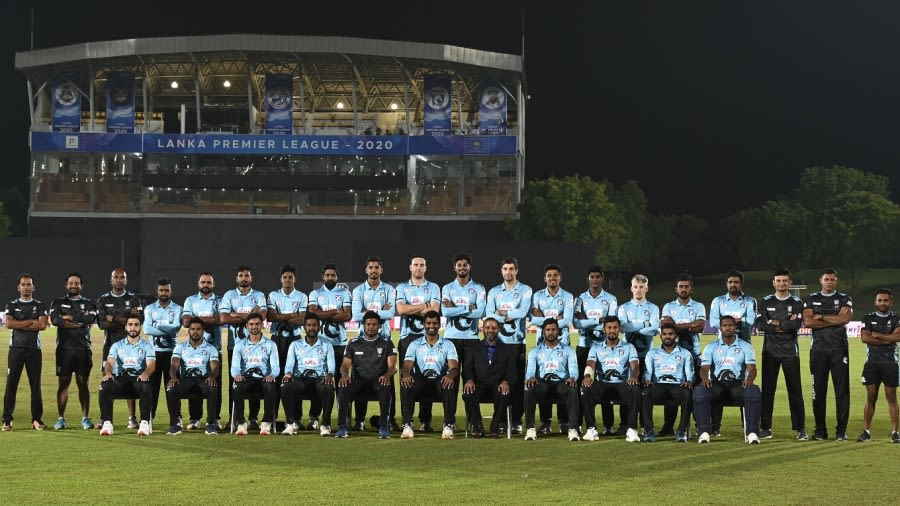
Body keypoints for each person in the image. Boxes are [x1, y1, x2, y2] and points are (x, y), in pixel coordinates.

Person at [693, 315, 762, 444]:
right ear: (720, 328)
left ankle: (752, 433)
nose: (727, 328)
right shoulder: (711, 346)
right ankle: (704, 432)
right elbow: (704, 368)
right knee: (699, 390)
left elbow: (752, 369)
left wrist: (749, 380)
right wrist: (704, 379)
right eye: (724, 325)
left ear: (735, 327)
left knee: (754, 390)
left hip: (737, 384)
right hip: (717, 384)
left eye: (730, 325)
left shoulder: (745, 346)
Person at [802, 268, 853, 441]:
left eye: (832, 279)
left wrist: (821, 317)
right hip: (818, 351)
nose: (829, 282)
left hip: (839, 350)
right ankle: (820, 430)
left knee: (842, 392)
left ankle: (841, 431)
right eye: (826, 279)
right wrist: (833, 318)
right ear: (820, 280)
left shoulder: (844, 298)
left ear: (836, 281)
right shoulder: (811, 298)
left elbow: (845, 319)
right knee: (818, 391)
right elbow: (808, 321)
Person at [757, 268, 807, 440]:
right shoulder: (765, 301)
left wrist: (774, 322)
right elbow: (760, 325)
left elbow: (798, 324)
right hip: (769, 352)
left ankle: (800, 429)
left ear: (790, 283)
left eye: (785, 281)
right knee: (768, 391)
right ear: (774, 283)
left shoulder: (797, 302)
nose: (782, 283)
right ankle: (765, 427)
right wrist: (784, 323)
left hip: (790, 352)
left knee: (795, 390)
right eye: (778, 281)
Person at [485, 256, 532, 434]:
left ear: (516, 270)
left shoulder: (526, 290)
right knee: (500, 381)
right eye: (505, 269)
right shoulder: (494, 291)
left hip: (517, 343)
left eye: (511, 269)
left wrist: (502, 313)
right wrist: (510, 314)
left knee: (518, 383)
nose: (508, 272)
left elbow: (523, 311)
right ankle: (502, 420)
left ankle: (517, 420)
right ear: (501, 271)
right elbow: (490, 314)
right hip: (499, 344)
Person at [351, 256, 398, 431]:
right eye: (370, 267)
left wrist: (367, 311)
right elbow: (356, 315)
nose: (373, 270)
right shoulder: (357, 291)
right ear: (366, 270)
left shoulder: (389, 290)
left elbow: (391, 313)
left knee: (388, 378)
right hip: (362, 341)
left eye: (376, 267)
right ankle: (359, 420)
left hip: (384, 340)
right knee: (359, 378)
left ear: (381, 270)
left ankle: (390, 419)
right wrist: (380, 311)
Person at [395, 255, 441, 432]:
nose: (419, 268)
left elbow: (434, 312)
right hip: (407, 338)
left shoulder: (434, 287)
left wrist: (411, 308)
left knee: (427, 375)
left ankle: (425, 420)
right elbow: (400, 309)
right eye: (416, 265)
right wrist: (423, 305)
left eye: (422, 265)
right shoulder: (402, 287)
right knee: (406, 378)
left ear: (426, 268)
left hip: (427, 338)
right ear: (410, 267)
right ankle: (407, 419)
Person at [335, 311, 397, 439]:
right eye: (368, 324)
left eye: (374, 324)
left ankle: (383, 427)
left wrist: (386, 375)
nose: (371, 327)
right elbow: (345, 364)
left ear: (379, 326)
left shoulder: (386, 343)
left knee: (386, 386)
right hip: (359, 381)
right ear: (363, 325)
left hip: (378, 380)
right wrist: (344, 375)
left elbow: (393, 367)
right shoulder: (353, 343)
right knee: (343, 386)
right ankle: (342, 427)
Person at [579, 316, 641, 443]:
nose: (612, 330)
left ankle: (632, 429)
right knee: (585, 387)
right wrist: (587, 376)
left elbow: (635, 366)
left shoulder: (629, 347)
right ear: (604, 330)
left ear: (619, 330)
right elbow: (590, 364)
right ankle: (591, 429)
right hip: (603, 385)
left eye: (615, 327)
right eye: (609, 328)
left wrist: (634, 377)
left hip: (622, 385)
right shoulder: (596, 347)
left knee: (635, 387)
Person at [219, 265, 268, 428]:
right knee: (234, 381)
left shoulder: (259, 295)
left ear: (251, 278)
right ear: (237, 278)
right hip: (234, 346)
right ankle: (235, 417)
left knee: (255, 377)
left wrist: (236, 314)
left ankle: (253, 418)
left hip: (256, 345)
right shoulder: (229, 295)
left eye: (247, 275)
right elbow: (224, 318)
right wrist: (249, 316)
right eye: (241, 275)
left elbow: (261, 316)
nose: (244, 278)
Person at [49, 272, 98, 430]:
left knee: (83, 383)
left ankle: (85, 418)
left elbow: (90, 319)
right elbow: (55, 320)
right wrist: (77, 321)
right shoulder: (57, 302)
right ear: (66, 285)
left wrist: (68, 318)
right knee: (63, 383)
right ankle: (61, 418)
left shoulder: (89, 303)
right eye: (71, 283)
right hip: (64, 349)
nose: (73, 285)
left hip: (83, 349)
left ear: (81, 285)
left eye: (76, 283)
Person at [530, 263, 575, 434]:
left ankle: (564, 421)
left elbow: (567, 319)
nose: (552, 278)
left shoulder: (568, 296)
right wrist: (556, 319)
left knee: (562, 378)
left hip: (563, 344)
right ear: (545, 278)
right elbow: (533, 319)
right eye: (549, 275)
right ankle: (545, 422)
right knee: (543, 378)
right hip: (541, 345)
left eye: (555, 275)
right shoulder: (538, 295)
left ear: (560, 278)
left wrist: (545, 318)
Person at [97, 267, 144, 429]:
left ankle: (132, 418)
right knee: (107, 378)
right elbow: (102, 322)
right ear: (111, 280)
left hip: (131, 346)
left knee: (132, 377)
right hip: (110, 346)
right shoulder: (102, 300)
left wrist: (114, 318)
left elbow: (138, 320)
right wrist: (126, 318)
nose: (118, 280)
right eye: (115, 277)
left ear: (126, 280)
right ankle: (105, 419)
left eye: (121, 277)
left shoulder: (134, 298)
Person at [399, 311, 459, 440]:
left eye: (434, 323)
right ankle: (407, 424)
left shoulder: (448, 344)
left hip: (439, 380)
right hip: (421, 380)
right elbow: (407, 365)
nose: (431, 326)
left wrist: (450, 376)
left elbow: (454, 368)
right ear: (423, 324)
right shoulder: (414, 344)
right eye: (428, 323)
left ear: (439, 325)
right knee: (405, 383)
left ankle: (448, 425)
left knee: (448, 383)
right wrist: (405, 374)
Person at [572, 265, 618, 434]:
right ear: (588, 279)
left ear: (602, 278)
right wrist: (599, 320)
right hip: (584, 348)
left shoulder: (611, 299)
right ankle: (578, 423)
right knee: (581, 386)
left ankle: (608, 425)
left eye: (598, 276)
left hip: (604, 349)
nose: (595, 280)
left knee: (606, 382)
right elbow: (576, 321)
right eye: (592, 277)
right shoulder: (580, 299)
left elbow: (610, 320)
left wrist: (587, 320)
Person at [659, 273, 706, 436]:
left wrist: (676, 326)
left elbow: (700, 327)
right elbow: (666, 327)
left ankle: (699, 425)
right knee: (671, 388)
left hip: (694, 355)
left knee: (696, 392)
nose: (684, 289)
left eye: (686, 286)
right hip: (671, 355)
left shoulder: (699, 306)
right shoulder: (667, 306)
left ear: (691, 288)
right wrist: (689, 325)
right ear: (676, 289)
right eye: (681, 286)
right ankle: (668, 426)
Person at [2, 274, 49, 431]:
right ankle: (7, 420)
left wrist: (19, 323)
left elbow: (42, 325)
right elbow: (8, 324)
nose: (26, 287)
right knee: (11, 385)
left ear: (33, 287)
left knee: (35, 385)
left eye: (29, 284)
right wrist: (30, 322)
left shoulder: (40, 305)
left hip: (34, 350)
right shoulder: (12, 304)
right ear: (18, 287)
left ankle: (36, 419)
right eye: (23, 284)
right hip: (15, 349)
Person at [307, 263, 351, 428]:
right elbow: (312, 314)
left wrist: (323, 314)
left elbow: (347, 315)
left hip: (340, 344)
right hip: (321, 345)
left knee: (342, 381)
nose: (330, 278)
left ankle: (343, 417)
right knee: (320, 380)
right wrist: (334, 312)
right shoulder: (315, 293)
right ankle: (314, 417)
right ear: (322, 277)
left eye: (333, 275)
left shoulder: (345, 292)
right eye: (327, 275)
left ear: (337, 277)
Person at [98, 315, 156, 436]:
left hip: (138, 379)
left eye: (136, 325)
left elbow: (151, 364)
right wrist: (108, 373)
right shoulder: (117, 345)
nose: (133, 328)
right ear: (126, 327)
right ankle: (107, 423)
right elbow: (109, 362)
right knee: (104, 386)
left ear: (140, 327)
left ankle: (144, 423)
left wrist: (145, 373)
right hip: (120, 379)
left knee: (146, 386)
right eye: (130, 325)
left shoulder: (147, 346)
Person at [523, 318, 580, 441]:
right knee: (529, 389)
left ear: (558, 331)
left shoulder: (568, 350)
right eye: (548, 330)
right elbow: (530, 370)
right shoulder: (535, 351)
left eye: (553, 329)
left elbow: (574, 369)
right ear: (543, 332)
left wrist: (572, 377)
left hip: (561, 383)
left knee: (572, 390)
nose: (551, 332)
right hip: (543, 384)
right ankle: (530, 428)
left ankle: (573, 429)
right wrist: (531, 377)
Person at [615, 274, 659, 432]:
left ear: (647, 288)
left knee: (646, 390)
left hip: (647, 355)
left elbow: (654, 330)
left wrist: (634, 325)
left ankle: (644, 424)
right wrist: (645, 324)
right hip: (628, 356)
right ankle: (624, 424)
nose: (638, 290)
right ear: (631, 288)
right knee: (628, 389)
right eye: (636, 287)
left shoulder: (653, 308)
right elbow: (623, 327)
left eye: (642, 287)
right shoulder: (623, 308)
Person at [267, 264, 308, 428]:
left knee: (294, 377)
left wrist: (281, 316)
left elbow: (302, 320)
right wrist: (292, 315)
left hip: (295, 339)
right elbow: (270, 316)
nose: (287, 280)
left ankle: (296, 418)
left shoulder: (302, 297)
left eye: (290, 277)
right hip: (277, 340)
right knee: (275, 377)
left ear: (295, 279)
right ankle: (273, 417)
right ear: (281, 279)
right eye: (285, 277)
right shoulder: (273, 295)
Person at [280, 315, 336, 436]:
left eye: (314, 325)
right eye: (309, 325)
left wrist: (330, 375)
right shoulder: (295, 345)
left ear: (319, 327)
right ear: (304, 327)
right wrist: (288, 373)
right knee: (286, 386)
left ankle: (325, 425)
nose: (312, 328)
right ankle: (290, 424)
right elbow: (289, 364)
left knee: (328, 387)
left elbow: (331, 366)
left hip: (319, 379)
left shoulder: (327, 345)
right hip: (300, 380)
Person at [857, 289, 900, 443]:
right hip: (872, 364)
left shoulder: (897, 318)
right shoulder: (868, 318)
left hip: (890, 363)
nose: (883, 303)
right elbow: (865, 338)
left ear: (891, 302)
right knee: (871, 398)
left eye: (886, 300)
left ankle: (895, 432)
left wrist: (878, 335)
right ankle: (866, 432)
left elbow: (898, 336)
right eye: (880, 300)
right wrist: (888, 339)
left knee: (892, 398)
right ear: (875, 302)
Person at [462, 317, 516, 438]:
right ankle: (477, 426)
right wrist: (469, 379)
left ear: (499, 329)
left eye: (493, 328)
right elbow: (467, 369)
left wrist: (506, 381)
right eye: (487, 327)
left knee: (505, 393)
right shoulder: (473, 348)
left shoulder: (508, 349)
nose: (490, 330)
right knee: (468, 393)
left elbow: (512, 372)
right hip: (479, 386)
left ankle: (495, 427)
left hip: (498, 386)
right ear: (482, 329)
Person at [165, 317, 220, 435]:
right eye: (192, 329)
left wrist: (212, 377)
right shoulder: (180, 347)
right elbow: (174, 365)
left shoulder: (211, 348)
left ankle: (211, 424)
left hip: (203, 380)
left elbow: (215, 367)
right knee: (171, 388)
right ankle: (175, 424)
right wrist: (173, 377)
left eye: (198, 329)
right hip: (186, 380)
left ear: (203, 331)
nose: (195, 331)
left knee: (212, 388)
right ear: (188, 331)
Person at [181, 271, 222, 428]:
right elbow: (185, 322)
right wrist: (210, 321)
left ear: (213, 284)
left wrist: (197, 320)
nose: (206, 285)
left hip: (215, 349)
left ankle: (215, 417)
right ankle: (195, 418)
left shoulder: (220, 300)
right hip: (194, 350)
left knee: (214, 384)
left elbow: (221, 319)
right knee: (194, 381)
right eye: (203, 282)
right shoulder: (190, 300)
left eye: (208, 282)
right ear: (198, 284)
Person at [641, 322, 694, 442]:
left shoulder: (685, 353)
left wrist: (689, 381)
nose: (667, 337)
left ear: (675, 336)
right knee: (646, 393)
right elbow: (647, 371)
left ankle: (681, 431)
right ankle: (649, 431)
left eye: (670, 334)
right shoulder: (652, 353)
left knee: (687, 393)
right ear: (660, 336)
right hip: (658, 386)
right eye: (664, 334)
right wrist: (647, 380)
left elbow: (689, 372)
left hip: (677, 386)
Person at [230, 313, 279, 436]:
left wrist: (272, 375)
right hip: (246, 379)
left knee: (271, 386)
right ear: (247, 326)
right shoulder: (240, 345)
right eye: (251, 324)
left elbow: (276, 367)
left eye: (257, 324)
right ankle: (241, 423)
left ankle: (266, 422)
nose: (254, 327)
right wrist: (237, 375)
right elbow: (234, 367)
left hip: (263, 379)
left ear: (262, 325)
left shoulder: (270, 344)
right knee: (237, 385)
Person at [142, 278, 183, 425]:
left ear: (171, 291)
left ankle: (176, 418)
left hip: (173, 354)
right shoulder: (149, 309)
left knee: (173, 386)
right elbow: (146, 329)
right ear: (157, 291)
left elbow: (176, 328)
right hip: (153, 354)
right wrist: (166, 330)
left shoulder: (178, 309)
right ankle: (149, 419)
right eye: (161, 290)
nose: (164, 293)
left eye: (166, 290)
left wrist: (156, 327)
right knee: (151, 388)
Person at [709, 270, 757, 342]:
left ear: (741, 284)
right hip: (723, 345)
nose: (733, 285)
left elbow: (752, 320)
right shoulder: (718, 300)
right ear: (726, 284)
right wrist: (737, 321)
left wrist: (726, 323)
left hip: (744, 344)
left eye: (736, 282)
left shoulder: (750, 300)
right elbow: (713, 322)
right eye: (730, 282)